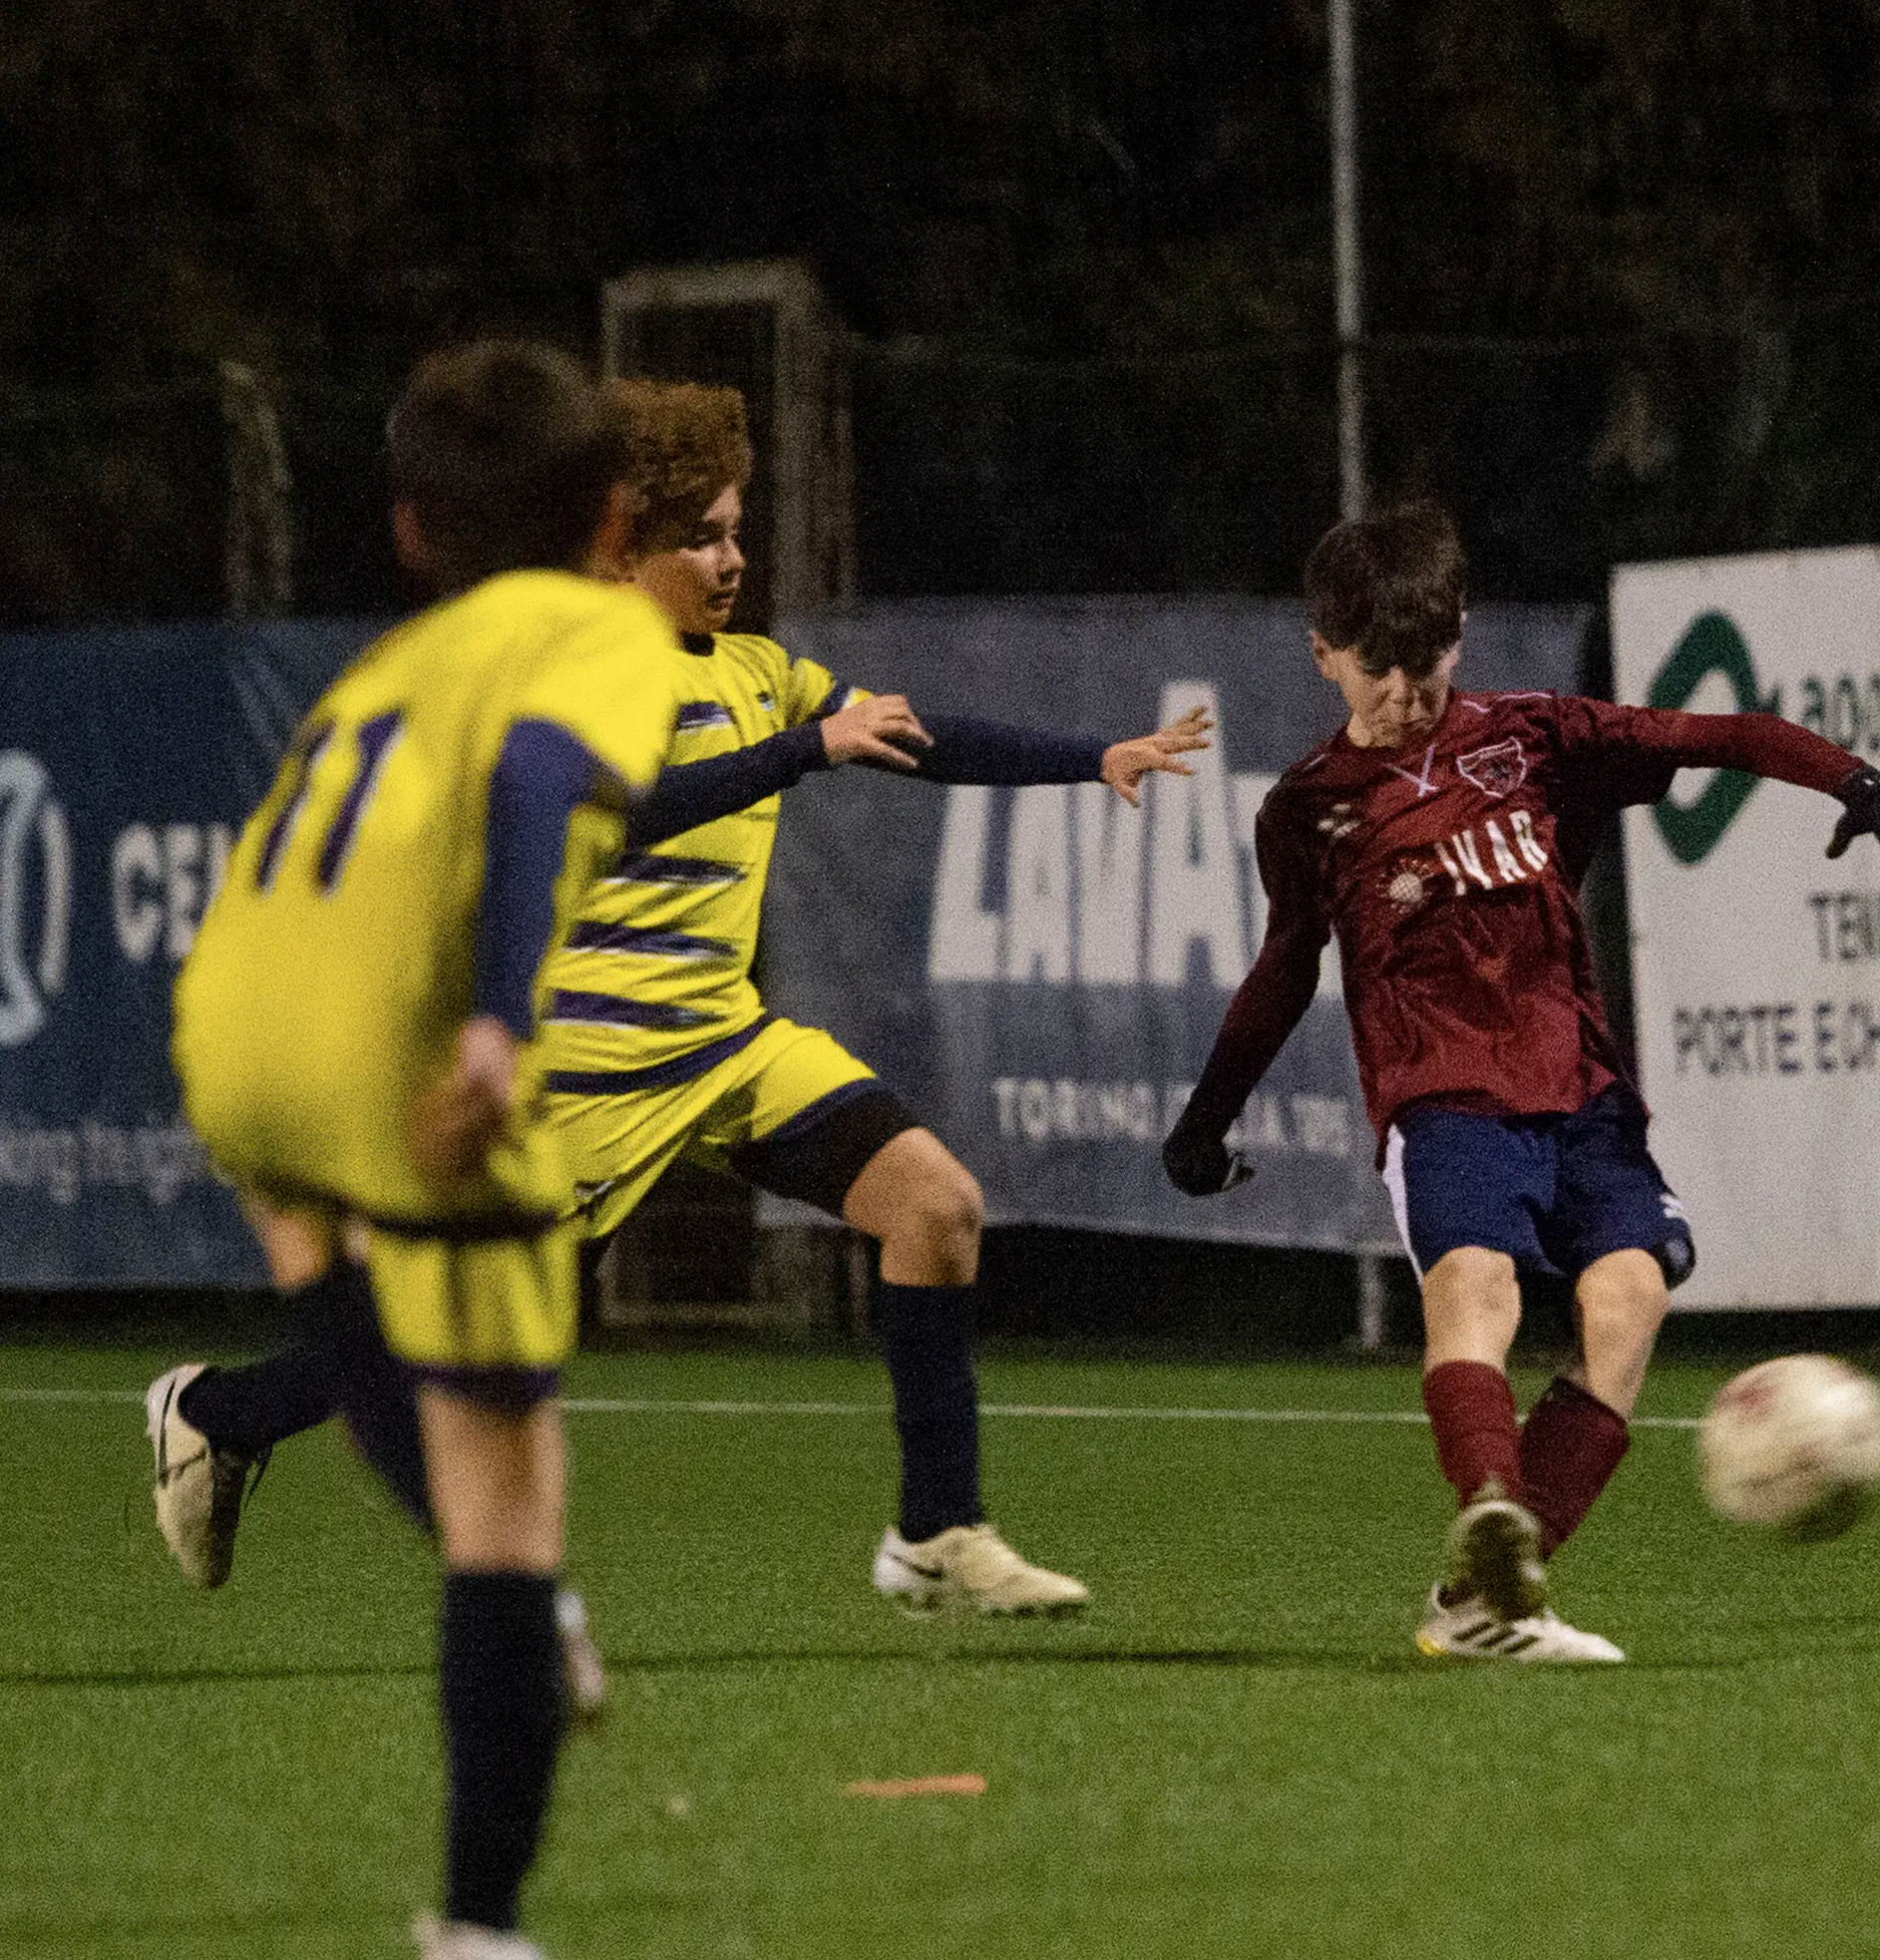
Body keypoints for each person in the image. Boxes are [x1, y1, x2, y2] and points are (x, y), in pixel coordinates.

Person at [151, 378, 1211, 1622]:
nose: (731, 558)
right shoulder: (587, 675)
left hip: (724, 1044)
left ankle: (936, 1533)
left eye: (736, 527)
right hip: (587, 1070)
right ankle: (215, 1414)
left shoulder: (759, 671)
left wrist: (1093, 760)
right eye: (700, 535)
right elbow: (628, 803)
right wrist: (801, 751)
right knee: (445, 1345)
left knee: (936, 1206)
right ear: (621, 546)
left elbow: (911, 735)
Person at [1163, 501, 1880, 1662]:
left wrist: (1849, 779)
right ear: (1323, 654)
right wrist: (1204, 1121)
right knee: (1477, 1286)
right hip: (1443, 1095)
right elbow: (1284, 966)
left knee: (1628, 1298)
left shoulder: (1533, 738)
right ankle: (1489, 1509)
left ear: (1459, 636)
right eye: (1377, 667)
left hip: (1580, 1088)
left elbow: (1713, 737)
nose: (1405, 691)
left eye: (1426, 661)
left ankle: (1482, 1604)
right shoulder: (1311, 809)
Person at [163, 340, 680, 1960]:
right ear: (611, 516)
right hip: (397, 1042)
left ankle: (518, 1616)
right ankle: (476, 1925)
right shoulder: (600, 626)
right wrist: (500, 1031)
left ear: (407, 533)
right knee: (508, 1505)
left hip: (237, 1023)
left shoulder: (382, 665)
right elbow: (538, 779)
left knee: (349, 1317)